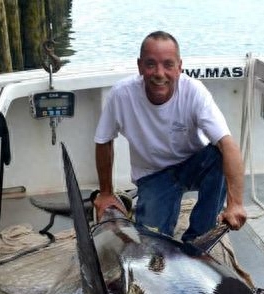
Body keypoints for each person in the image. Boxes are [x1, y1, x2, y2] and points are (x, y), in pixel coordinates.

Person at [93, 31, 247, 240]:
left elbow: (228, 144)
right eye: (150, 64)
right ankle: (142, 209)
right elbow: (103, 140)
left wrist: (235, 203)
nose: (159, 73)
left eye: (168, 64)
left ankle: (197, 238)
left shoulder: (194, 92)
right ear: (139, 66)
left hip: (192, 165)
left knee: (219, 156)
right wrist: (106, 193)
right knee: (151, 242)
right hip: (152, 175)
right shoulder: (121, 95)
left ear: (179, 67)